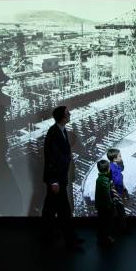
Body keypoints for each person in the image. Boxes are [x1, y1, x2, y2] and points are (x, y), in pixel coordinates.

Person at [42, 105, 83, 247]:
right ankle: (69, 238)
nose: (70, 114)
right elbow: (51, 158)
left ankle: (52, 236)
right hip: (56, 179)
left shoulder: (62, 131)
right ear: (62, 117)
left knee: (52, 209)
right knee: (61, 209)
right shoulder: (54, 132)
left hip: (60, 178)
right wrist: (53, 181)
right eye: (67, 113)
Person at [107, 148, 129, 233]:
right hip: (116, 194)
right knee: (120, 211)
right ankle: (121, 228)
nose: (121, 157)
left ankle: (122, 227)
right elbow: (116, 182)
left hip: (120, 192)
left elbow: (121, 171)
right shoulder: (112, 168)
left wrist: (124, 189)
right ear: (115, 159)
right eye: (120, 156)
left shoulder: (116, 166)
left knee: (120, 211)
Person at [95, 159, 114, 245]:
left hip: (100, 205)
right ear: (107, 169)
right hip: (105, 205)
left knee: (101, 221)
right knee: (106, 222)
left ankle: (101, 237)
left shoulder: (100, 178)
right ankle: (107, 237)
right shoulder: (105, 180)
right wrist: (110, 203)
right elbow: (107, 194)